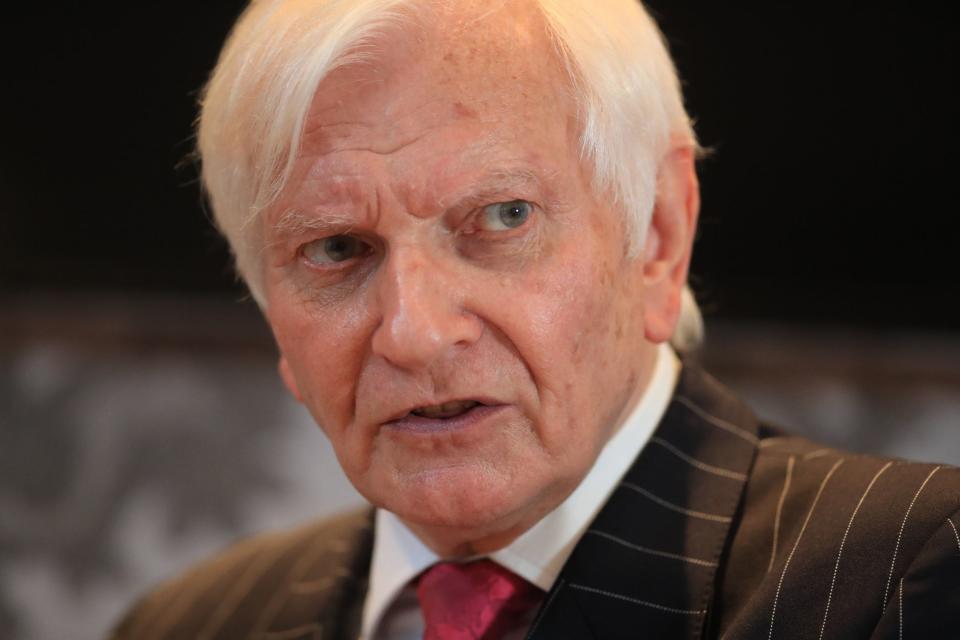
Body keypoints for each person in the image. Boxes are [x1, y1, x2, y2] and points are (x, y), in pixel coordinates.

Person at [112, 0, 960, 638]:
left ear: (658, 237)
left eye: (503, 216)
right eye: (337, 249)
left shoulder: (907, 572)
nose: (413, 331)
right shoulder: (184, 624)